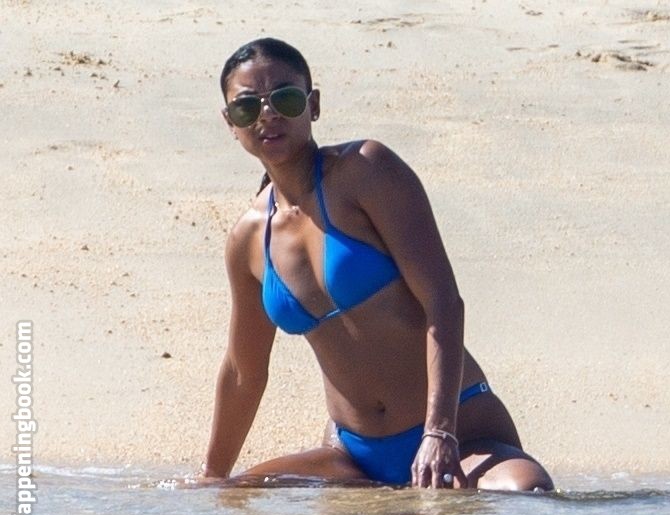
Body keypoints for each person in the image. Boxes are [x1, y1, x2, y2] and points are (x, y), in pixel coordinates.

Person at [202, 37, 553, 491]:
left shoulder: (367, 172)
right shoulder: (248, 239)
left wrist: (439, 432)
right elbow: (243, 373)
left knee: (527, 495)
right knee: (236, 493)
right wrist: (211, 478)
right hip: (353, 454)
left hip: (462, 431)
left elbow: (443, 301)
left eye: (284, 99)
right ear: (231, 122)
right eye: (248, 107)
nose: (267, 115)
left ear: (313, 105)